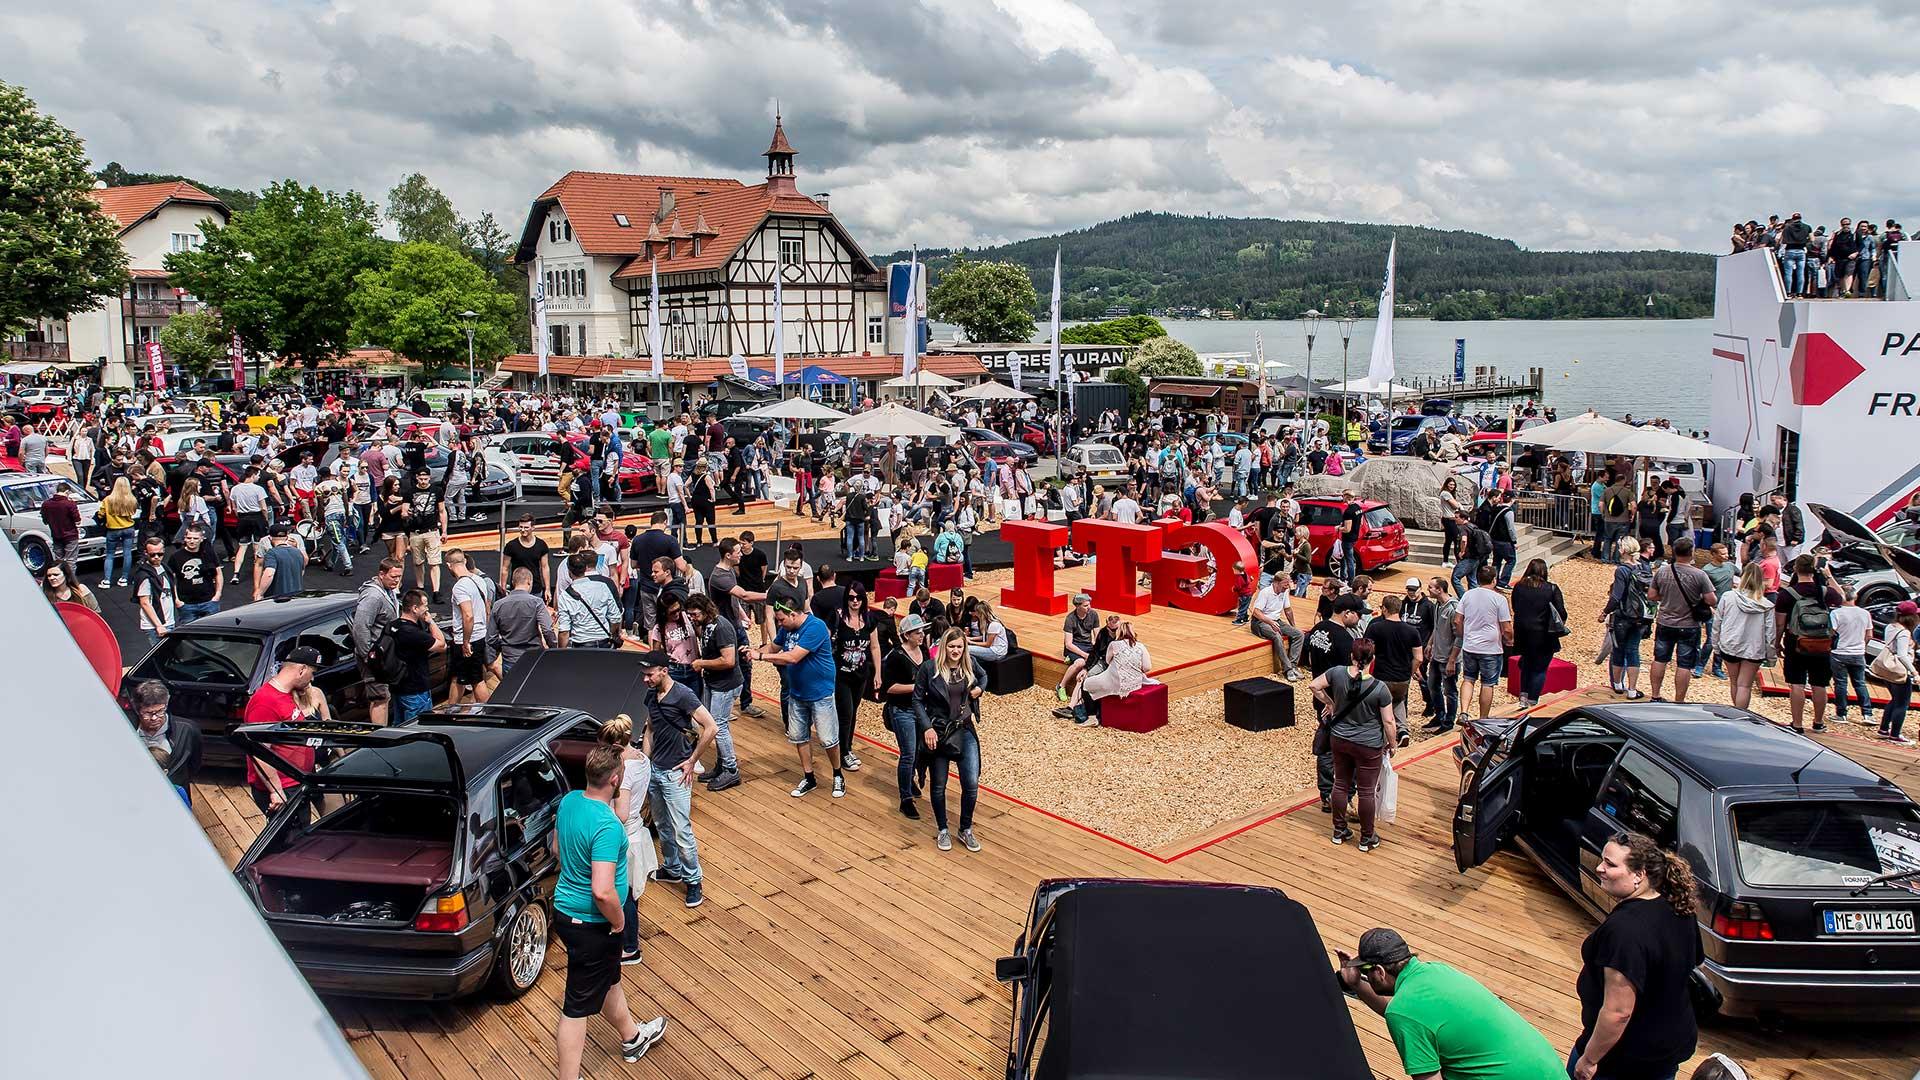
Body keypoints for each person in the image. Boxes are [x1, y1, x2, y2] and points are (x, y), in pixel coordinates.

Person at [551, 744, 669, 1079]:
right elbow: (602, 891)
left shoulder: (569, 801)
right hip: (593, 923)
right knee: (576, 1007)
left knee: (608, 978)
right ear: (615, 780)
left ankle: (632, 1037)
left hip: (565, 911)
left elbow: (557, 849)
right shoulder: (608, 826)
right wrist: (619, 922)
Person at [1334, 927, 1563, 1080]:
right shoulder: (1437, 971)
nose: (1365, 975)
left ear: (1380, 971)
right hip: (1550, 1071)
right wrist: (1356, 984)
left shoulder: (1403, 1012)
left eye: (1365, 971)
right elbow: (1411, 1018)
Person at [1571, 833, 1704, 1080]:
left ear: (1639, 875)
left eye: (1610, 864)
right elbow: (1694, 960)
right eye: (1602, 860)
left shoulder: (1624, 931)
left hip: (1620, 1060)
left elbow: (1618, 1012)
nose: (1599, 868)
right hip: (1667, 1051)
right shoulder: (1677, 905)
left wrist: (1589, 1060)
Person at [635, 649, 717, 909]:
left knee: (682, 830)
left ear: (664, 671)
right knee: (662, 824)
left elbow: (711, 727)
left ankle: (694, 881)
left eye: (649, 674)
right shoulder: (651, 694)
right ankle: (672, 868)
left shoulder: (683, 694)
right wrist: (645, 763)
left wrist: (692, 761)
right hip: (656, 771)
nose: (645, 679)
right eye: (644, 674)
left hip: (676, 775)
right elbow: (650, 728)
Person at [753, 599, 845, 799]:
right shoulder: (787, 629)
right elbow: (773, 648)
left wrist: (760, 658)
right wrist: (753, 652)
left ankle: (838, 774)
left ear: (793, 614)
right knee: (799, 736)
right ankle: (809, 776)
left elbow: (793, 657)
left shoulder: (816, 627)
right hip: (797, 692)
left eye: (781, 620)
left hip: (820, 693)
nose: (779, 624)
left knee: (828, 739)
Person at [1311, 637, 1395, 850]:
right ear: (1372, 659)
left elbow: (1315, 685)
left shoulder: (1337, 673)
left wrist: (1330, 703)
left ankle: (1339, 830)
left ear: (1351, 656)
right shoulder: (1380, 688)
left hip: (1340, 739)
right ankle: (1367, 837)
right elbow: (1388, 721)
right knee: (1366, 791)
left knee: (1340, 784)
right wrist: (1393, 743)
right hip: (1368, 744)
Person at [917, 628, 986, 852]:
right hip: (939, 731)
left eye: (959, 647)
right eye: (951, 646)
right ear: (944, 647)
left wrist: (979, 689)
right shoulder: (929, 668)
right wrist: (927, 727)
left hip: (964, 729)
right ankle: (943, 828)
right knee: (939, 784)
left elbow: (984, 676)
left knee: (971, 783)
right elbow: (917, 700)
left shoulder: (969, 664)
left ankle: (965, 828)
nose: (955, 651)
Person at [241, 645, 323, 822]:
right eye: (312, 673)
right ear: (302, 670)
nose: (312, 679)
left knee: (301, 832)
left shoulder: (286, 695)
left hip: (296, 782)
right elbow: (259, 751)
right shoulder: (265, 701)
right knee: (291, 836)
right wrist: (276, 790)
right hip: (284, 788)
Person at [1773, 554, 1842, 733]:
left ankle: (1797, 724)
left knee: (1797, 683)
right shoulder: (1825, 592)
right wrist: (1828, 575)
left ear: (1796, 569)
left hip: (1796, 642)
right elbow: (1842, 597)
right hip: (1821, 642)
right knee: (1820, 684)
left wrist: (1777, 642)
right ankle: (1818, 722)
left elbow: (1780, 623)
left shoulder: (1787, 594)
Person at [1306, 598, 1361, 812]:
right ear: (1346, 613)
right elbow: (1348, 675)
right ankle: (1345, 796)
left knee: (1325, 749)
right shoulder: (1345, 639)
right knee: (1348, 750)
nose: (1359, 618)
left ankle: (1327, 794)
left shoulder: (1317, 629)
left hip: (1321, 697)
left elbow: (1310, 660)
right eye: (1357, 613)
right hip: (1339, 703)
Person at [1645, 537, 1714, 703]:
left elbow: (1652, 595)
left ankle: (1655, 695)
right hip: (1689, 624)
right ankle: (1679, 700)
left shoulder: (1662, 571)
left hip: (1665, 621)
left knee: (1660, 659)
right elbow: (1711, 600)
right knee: (1684, 664)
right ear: (1691, 552)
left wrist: (1666, 596)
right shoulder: (1699, 575)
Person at [685, 593, 743, 791]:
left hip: (725, 685)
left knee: (718, 725)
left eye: (695, 614)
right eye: (690, 615)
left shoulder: (722, 627)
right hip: (713, 682)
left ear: (705, 610)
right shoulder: (706, 625)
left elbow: (728, 660)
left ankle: (731, 769)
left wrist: (701, 663)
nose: (692, 618)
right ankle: (721, 764)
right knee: (713, 723)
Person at [882, 613, 932, 819]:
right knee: (908, 753)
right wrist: (917, 687)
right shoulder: (896, 656)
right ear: (906, 635)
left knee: (919, 751)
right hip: (902, 710)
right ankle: (905, 800)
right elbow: (889, 687)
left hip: (922, 710)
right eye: (917, 632)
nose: (922, 635)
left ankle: (909, 779)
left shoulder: (924, 651)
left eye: (922, 631)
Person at [830, 585, 882, 773]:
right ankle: (843, 752)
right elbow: (826, 641)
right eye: (851, 597)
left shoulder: (869, 619)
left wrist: (878, 673)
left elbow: (875, 647)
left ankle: (847, 747)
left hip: (861, 675)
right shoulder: (838, 617)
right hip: (841, 674)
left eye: (858, 597)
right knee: (846, 713)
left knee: (853, 712)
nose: (854, 601)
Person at [129, 678, 203, 804]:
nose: (154, 718)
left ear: (166, 705)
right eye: (147, 713)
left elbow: (194, 765)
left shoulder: (188, 730)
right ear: (137, 710)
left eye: (159, 711)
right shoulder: (125, 727)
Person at [1712, 562, 1773, 712]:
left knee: (1734, 682)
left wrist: (1716, 645)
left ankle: (1736, 713)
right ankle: (1741, 714)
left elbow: (1717, 622)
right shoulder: (1766, 605)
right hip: (1754, 648)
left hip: (1730, 644)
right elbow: (1770, 634)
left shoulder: (1728, 597)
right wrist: (1771, 656)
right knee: (1745, 685)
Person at [1507, 559, 1567, 708]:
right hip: (1544, 634)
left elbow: (1515, 607)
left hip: (1522, 632)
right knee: (1539, 669)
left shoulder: (1519, 587)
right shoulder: (1551, 588)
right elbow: (1561, 612)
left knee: (1526, 664)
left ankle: (1523, 696)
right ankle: (1532, 700)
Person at [1454, 566, 1512, 719]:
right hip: (1491, 648)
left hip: (1470, 645)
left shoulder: (1468, 595)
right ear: (1494, 580)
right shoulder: (1499, 599)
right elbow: (1506, 627)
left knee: (1468, 679)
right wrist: (1509, 640)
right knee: (1487, 683)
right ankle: (1483, 718)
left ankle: (1464, 712)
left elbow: (1457, 620)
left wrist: (1463, 635)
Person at [1364, 593, 1423, 743]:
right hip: (1402, 677)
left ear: (1384, 609)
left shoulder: (1375, 628)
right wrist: (1409, 672)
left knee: (1381, 706)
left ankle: (1384, 738)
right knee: (1398, 701)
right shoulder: (1412, 631)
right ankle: (1403, 730)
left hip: (1382, 675)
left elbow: (1367, 651)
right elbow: (1419, 658)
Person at [1601, 541, 1656, 699]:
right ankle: (1632, 689)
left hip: (1624, 615)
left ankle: (1618, 684)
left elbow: (1616, 596)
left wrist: (1604, 612)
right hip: (1640, 616)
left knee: (1618, 649)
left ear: (1624, 550)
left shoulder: (1622, 570)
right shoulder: (1644, 567)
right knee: (1633, 650)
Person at [446, 548, 499, 704]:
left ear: (449, 565)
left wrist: (465, 642)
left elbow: (468, 615)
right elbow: (487, 607)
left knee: (476, 680)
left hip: (468, 640)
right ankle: (450, 710)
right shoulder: (479, 580)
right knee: (459, 677)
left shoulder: (460, 587)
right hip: (480, 635)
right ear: (464, 561)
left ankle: (487, 712)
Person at [390, 588, 446, 724]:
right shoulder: (412, 633)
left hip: (398, 687)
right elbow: (442, 645)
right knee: (418, 727)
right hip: (416, 690)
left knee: (400, 726)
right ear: (415, 608)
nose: (427, 609)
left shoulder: (393, 626)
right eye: (424, 606)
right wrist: (431, 622)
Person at [1078, 620, 1151, 723]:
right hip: (1136, 683)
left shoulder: (1114, 644)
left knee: (1086, 684)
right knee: (1098, 682)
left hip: (1116, 682)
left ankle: (1093, 717)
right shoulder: (1141, 646)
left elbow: (1107, 661)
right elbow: (1147, 667)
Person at [493, 566, 557, 672]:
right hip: (534, 657)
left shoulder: (498, 605)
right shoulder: (537, 602)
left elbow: (491, 637)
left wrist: (502, 648)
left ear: (513, 582)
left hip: (510, 658)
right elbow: (547, 630)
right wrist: (553, 648)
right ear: (529, 582)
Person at [1828, 585, 1875, 727]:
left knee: (1840, 683)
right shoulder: (1865, 613)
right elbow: (1869, 635)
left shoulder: (1836, 613)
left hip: (1839, 652)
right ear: (1855, 596)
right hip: (1858, 652)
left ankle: (1841, 713)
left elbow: (1831, 632)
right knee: (1860, 683)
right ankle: (1867, 714)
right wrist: (1862, 645)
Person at [1873, 601, 1920, 744]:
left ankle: (1883, 729)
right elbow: (1902, 655)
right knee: (1902, 704)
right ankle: (1895, 734)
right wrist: (1914, 672)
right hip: (1899, 670)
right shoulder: (1904, 632)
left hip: (1888, 669)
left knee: (1895, 700)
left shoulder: (1890, 627)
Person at [556, 550, 623, 649]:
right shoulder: (603, 587)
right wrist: (609, 633)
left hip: (581, 646)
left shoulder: (565, 596)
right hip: (604, 643)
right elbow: (616, 617)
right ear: (585, 568)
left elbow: (564, 632)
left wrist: (561, 652)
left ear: (569, 572)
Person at [1422, 577, 1461, 734]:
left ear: (1440, 589)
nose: (1428, 589)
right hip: (1437, 656)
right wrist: (1430, 644)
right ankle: (1439, 715)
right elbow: (1437, 627)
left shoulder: (1453, 609)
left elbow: (1459, 636)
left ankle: (1449, 721)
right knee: (1433, 686)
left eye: (1431, 587)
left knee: (1450, 691)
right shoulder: (1437, 605)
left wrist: (1452, 660)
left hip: (1448, 659)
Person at [1249, 574, 1305, 679]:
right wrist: (1270, 622)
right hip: (1260, 621)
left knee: (1299, 634)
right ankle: (1287, 669)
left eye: (1288, 584)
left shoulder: (1285, 592)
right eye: (1285, 584)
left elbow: (1288, 610)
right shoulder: (1265, 592)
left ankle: (1293, 665)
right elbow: (1256, 612)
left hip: (1276, 621)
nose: (1287, 587)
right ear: (1276, 583)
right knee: (1277, 636)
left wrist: (1293, 626)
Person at [167, 524, 224, 624]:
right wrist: (177, 600)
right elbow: (170, 580)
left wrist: (218, 594)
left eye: (195, 538)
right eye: (189, 538)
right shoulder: (176, 557)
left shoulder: (209, 554)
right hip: (187, 605)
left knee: (212, 630)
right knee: (188, 632)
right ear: (185, 538)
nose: (192, 541)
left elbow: (218, 573)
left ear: (201, 539)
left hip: (209, 602)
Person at [130, 535, 176, 647]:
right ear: (146, 553)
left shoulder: (163, 567)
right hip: (156, 625)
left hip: (168, 620)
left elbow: (171, 584)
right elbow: (145, 602)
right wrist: (158, 625)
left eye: (160, 554)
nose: (156, 557)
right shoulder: (144, 575)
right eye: (152, 554)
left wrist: (177, 600)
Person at [1056, 592, 1102, 698]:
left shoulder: (1093, 614)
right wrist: (1085, 655)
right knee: (1080, 663)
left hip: (1088, 645)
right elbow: (1068, 644)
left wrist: (1098, 649)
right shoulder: (1070, 619)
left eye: (1089, 604)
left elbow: (1097, 636)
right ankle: (1061, 686)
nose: (1089, 607)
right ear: (1077, 606)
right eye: (1085, 605)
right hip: (1074, 645)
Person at [500, 514, 553, 602]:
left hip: (535, 588)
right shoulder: (511, 546)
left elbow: (545, 567)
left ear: (533, 528)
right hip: (516, 589)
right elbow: (505, 568)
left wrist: (547, 589)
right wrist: (503, 588)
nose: (522, 530)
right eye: (521, 527)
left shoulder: (541, 545)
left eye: (526, 527)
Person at [252, 521, 305, 600]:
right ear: (287, 537)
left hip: (276, 598)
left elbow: (269, 574)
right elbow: (302, 571)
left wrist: (260, 593)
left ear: (270, 538)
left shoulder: (272, 553)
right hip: (295, 596)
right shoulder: (298, 552)